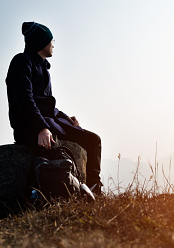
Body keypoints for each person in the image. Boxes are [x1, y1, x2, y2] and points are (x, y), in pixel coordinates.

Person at [6, 22, 102, 194]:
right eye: (51, 40)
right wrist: (41, 128)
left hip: (49, 123)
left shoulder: (43, 68)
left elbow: (48, 105)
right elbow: (24, 100)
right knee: (58, 155)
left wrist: (66, 119)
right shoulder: (21, 62)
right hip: (30, 126)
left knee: (93, 140)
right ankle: (75, 193)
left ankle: (95, 190)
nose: (53, 44)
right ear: (41, 42)